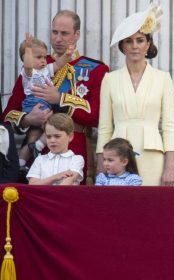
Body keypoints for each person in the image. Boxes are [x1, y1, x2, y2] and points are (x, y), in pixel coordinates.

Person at [2, 10, 108, 184]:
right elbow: (7, 115)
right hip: (37, 156)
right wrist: (27, 119)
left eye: (64, 33)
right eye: (54, 32)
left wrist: (60, 99)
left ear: (77, 34)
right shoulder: (35, 67)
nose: (58, 39)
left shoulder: (96, 69)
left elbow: (98, 116)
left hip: (74, 149)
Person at [97, 4, 174, 186]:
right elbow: (104, 127)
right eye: (129, 41)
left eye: (140, 40)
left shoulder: (163, 78)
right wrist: (101, 166)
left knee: (150, 208)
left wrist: (169, 168)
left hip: (153, 156)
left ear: (148, 44)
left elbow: (169, 126)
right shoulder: (109, 79)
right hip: (117, 157)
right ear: (122, 46)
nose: (134, 46)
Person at [14, 35, 72, 168]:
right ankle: (38, 146)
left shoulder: (45, 69)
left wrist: (68, 54)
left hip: (44, 104)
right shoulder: (29, 72)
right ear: (25, 57)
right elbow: (28, 63)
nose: (43, 61)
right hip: (34, 104)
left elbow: (58, 64)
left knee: (33, 135)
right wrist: (28, 48)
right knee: (55, 125)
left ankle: (21, 163)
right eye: (39, 57)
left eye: (45, 57)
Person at [27, 113, 83, 185]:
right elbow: (32, 184)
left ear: (70, 136)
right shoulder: (40, 160)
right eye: (48, 136)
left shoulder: (76, 159)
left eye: (57, 136)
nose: (52, 140)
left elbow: (67, 183)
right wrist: (56, 177)